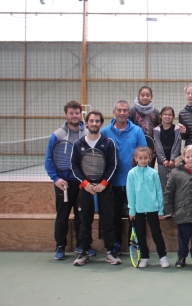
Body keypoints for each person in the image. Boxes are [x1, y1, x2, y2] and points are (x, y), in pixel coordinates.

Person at [71, 110, 119, 266]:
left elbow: (113, 165)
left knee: (108, 220)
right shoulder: (78, 145)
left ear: (101, 123)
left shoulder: (108, 142)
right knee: (84, 221)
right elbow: (75, 166)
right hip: (85, 189)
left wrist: (103, 184)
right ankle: (84, 252)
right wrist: (85, 184)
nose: (94, 124)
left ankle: (111, 252)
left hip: (104, 188)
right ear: (86, 123)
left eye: (97, 121)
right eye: (91, 121)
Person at [44, 100, 90, 260]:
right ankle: (60, 246)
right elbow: (49, 160)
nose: (74, 116)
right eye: (71, 113)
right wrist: (56, 179)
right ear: (66, 115)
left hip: (81, 182)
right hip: (63, 183)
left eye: (77, 113)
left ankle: (81, 246)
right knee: (62, 216)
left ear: (80, 114)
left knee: (81, 216)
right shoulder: (57, 135)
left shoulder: (87, 133)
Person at [100, 100, 146, 254]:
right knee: (114, 216)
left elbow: (144, 153)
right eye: (119, 110)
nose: (122, 113)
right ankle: (116, 244)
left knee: (137, 214)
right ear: (114, 112)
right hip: (113, 183)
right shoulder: (105, 132)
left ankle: (136, 244)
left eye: (125, 110)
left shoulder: (137, 131)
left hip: (134, 183)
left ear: (128, 113)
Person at [126, 146, 169, 268]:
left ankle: (162, 257)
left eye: (145, 158)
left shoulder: (153, 173)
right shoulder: (131, 174)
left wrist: (160, 209)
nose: (143, 160)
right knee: (140, 234)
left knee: (157, 233)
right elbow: (130, 193)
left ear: (150, 158)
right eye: (140, 158)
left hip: (153, 209)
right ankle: (145, 257)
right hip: (138, 211)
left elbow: (158, 192)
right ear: (136, 159)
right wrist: (132, 210)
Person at [153, 106, 183, 193]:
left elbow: (177, 144)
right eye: (165, 114)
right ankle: (165, 205)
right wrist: (163, 160)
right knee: (163, 184)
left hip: (175, 162)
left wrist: (173, 159)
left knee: (176, 183)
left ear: (173, 117)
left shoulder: (177, 129)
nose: (167, 116)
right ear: (160, 116)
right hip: (162, 163)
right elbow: (157, 145)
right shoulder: (156, 130)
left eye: (170, 115)